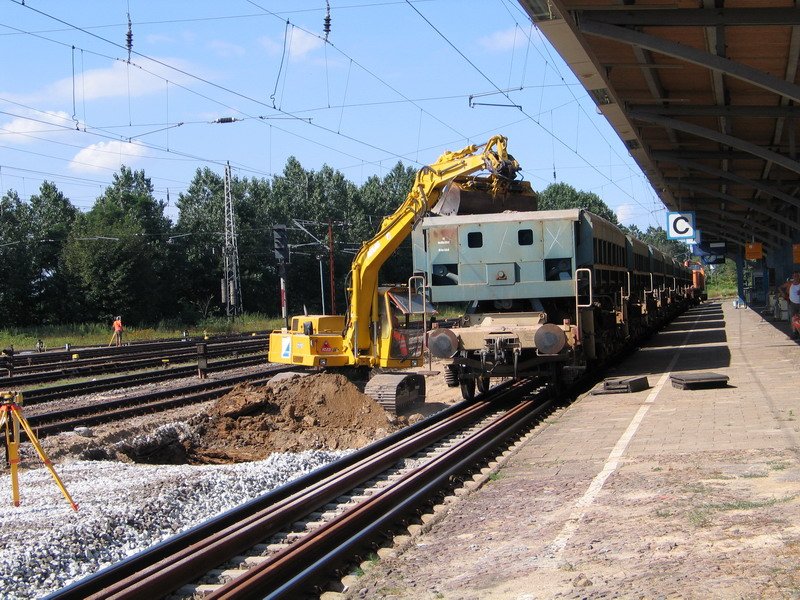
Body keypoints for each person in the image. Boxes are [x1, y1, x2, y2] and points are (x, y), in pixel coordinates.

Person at [780, 272, 800, 338]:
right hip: (792, 303)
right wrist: (783, 293)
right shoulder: (790, 283)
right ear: (793, 277)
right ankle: (794, 333)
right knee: (793, 318)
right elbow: (780, 287)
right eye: (794, 276)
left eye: (797, 276)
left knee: (798, 319)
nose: (796, 277)